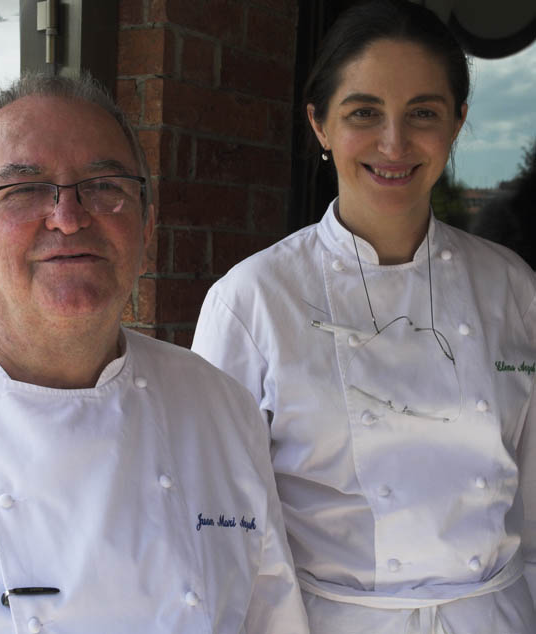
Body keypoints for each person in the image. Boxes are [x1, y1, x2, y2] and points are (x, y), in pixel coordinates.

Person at [0, 74, 309, 633]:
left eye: (103, 184)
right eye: (23, 189)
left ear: (145, 226)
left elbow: (272, 619)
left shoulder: (221, 408)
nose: (69, 217)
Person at [192, 1, 536, 632]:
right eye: (363, 113)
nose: (394, 143)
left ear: (458, 122)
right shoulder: (253, 301)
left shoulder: (512, 288)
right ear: (319, 124)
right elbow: (224, 526)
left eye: (424, 113)